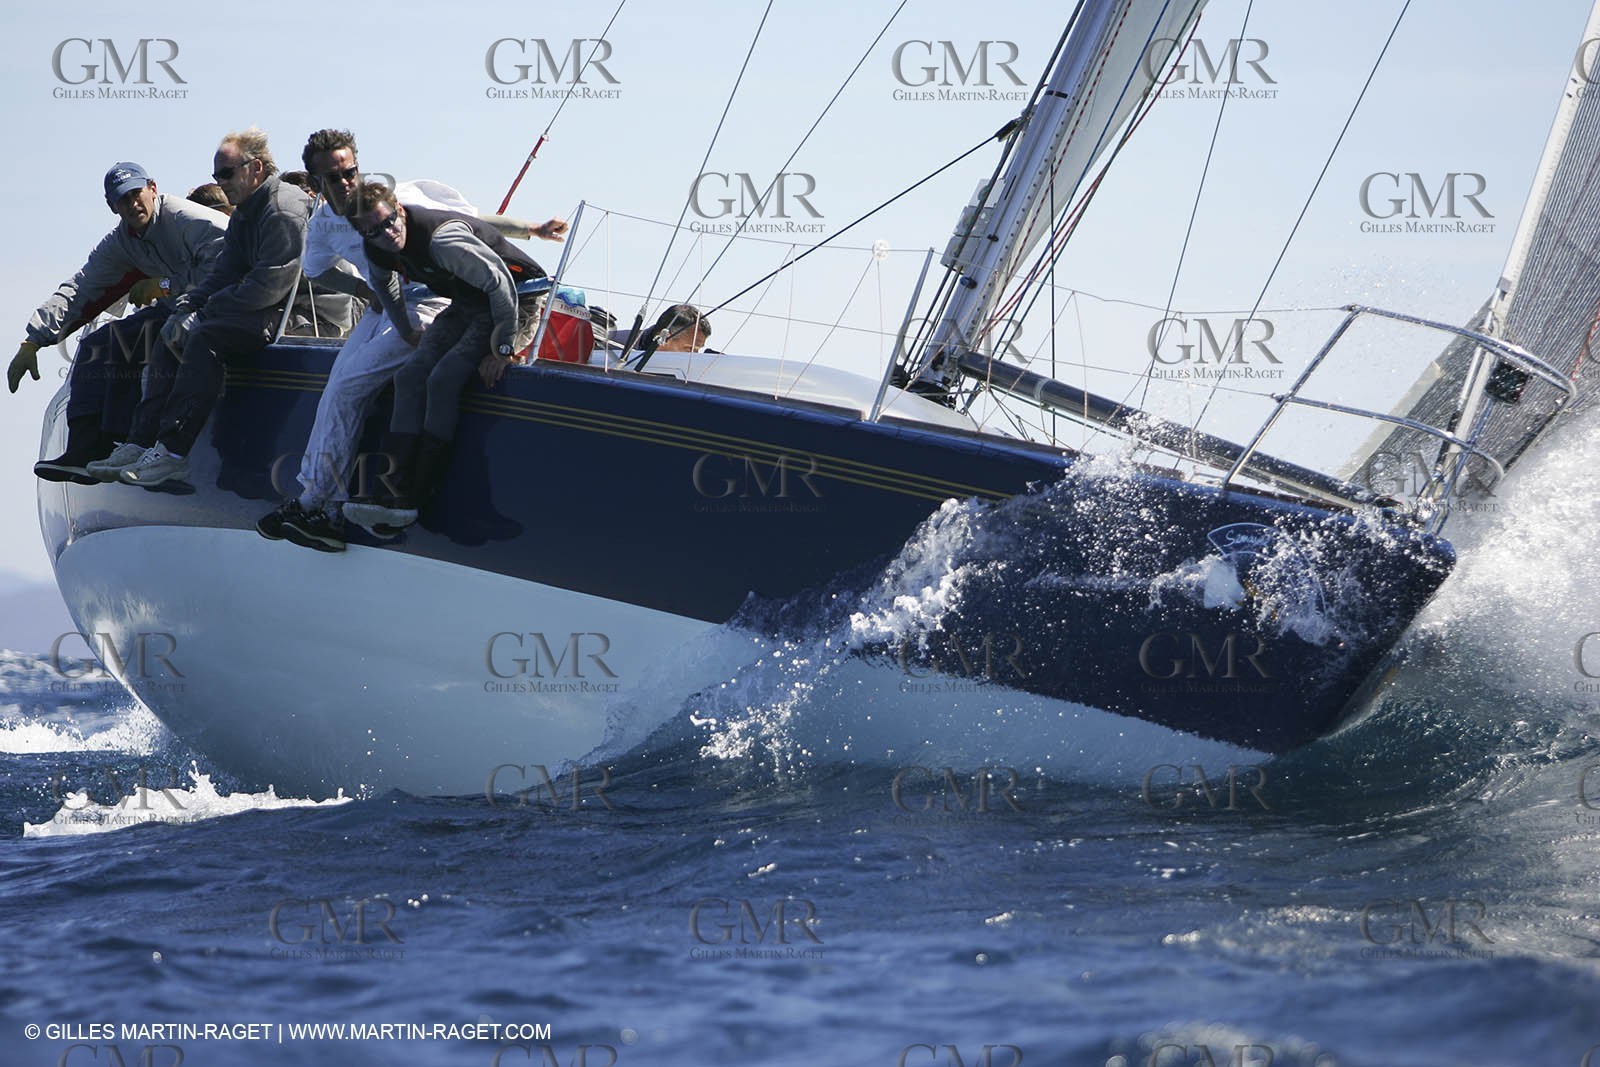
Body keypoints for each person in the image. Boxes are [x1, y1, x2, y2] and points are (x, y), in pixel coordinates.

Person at [258, 128, 568, 552]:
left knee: (356, 384)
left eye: (349, 171)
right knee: (337, 386)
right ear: (315, 184)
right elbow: (317, 271)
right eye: (332, 178)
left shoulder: (394, 198)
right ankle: (319, 504)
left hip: (437, 297)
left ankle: (325, 501)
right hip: (389, 303)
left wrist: (531, 228)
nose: (345, 183)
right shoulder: (325, 222)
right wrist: (366, 293)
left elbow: (474, 222)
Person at [94, 127, 312, 487]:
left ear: (255, 168)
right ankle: (141, 440)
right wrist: (187, 305)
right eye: (216, 176)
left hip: (301, 311)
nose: (220, 183)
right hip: (264, 304)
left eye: (226, 174)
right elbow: (225, 271)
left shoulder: (281, 208)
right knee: (171, 330)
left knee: (204, 336)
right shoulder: (247, 210)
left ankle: (175, 452)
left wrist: (203, 313)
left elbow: (269, 286)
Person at [342, 181, 557, 533]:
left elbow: (501, 286)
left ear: (398, 208)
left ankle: (417, 493)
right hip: (467, 300)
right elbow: (386, 287)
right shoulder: (378, 247)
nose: (386, 233)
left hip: (515, 299)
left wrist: (503, 349)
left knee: (444, 377)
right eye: (373, 231)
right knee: (408, 377)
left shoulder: (443, 241)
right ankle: (388, 490)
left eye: (389, 221)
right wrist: (406, 329)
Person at [7, 162, 228, 482]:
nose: (132, 204)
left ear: (152, 188)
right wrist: (34, 339)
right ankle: (91, 446)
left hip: (226, 304)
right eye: (122, 200)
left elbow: (234, 261)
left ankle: (143, 442)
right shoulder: (122, 241)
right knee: (104, 341)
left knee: (165, 338)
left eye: (136, 194)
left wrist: (166, 286)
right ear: (112, 206)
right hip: (179, 306)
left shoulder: (185, 218)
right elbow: (81, 287)